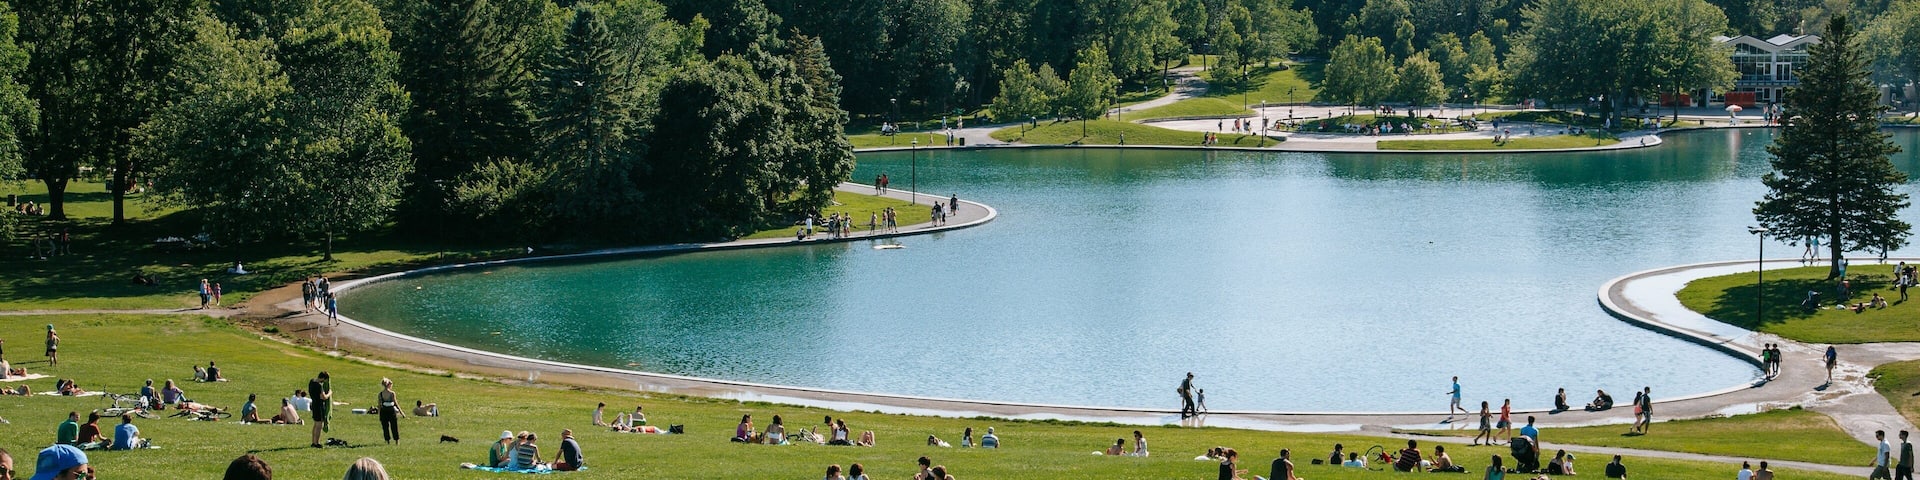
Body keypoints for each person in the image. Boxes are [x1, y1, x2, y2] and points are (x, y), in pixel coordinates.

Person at [310, 371, 333, 448]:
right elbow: (324, 397)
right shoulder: (319, 386)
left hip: (313, 404)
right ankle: (317, 443)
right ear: (323, 378)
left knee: (315, 424)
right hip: (319, 406)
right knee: (319, 425)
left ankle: (313, 441)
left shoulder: (311, 381)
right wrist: (330, 393)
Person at [376, 378, 401, 444]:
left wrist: (379, 413)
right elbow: (396, 403)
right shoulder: (392, 393)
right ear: (389, 385)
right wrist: (401, 412)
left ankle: (387, 440)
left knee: (385, 427)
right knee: (394, 426)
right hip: (391, 411)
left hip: (383, 411)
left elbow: (379, 405)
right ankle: (396, 440)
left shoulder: (380, 394)